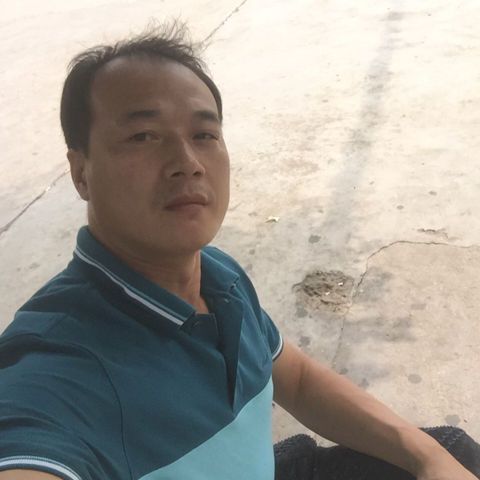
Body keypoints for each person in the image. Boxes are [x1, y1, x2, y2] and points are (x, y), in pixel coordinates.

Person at [0, 23, 478, 480]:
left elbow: (297, 379)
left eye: (204, 135)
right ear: (81, 172)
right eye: (143, 136)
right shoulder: (62, 365)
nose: (187, 163)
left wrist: (426, 457)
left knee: (451, 453)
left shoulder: (216, 275)